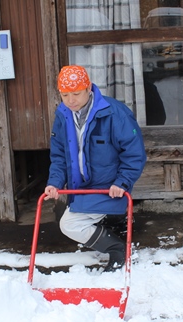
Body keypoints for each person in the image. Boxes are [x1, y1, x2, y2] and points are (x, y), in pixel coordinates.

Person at [44, 65, 147, 272]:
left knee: (69, 225)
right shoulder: (63, 116)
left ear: (88, 88)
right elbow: (59, 156)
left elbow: (134, 152)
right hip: (79, 186)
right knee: (72, 222)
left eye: (76, 93)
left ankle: (117, 249)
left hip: (108, 187)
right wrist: (54, 182)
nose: (70, 100)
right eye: (65, 95)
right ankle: (114, 236)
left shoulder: (114, 113)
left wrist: (122, 182)